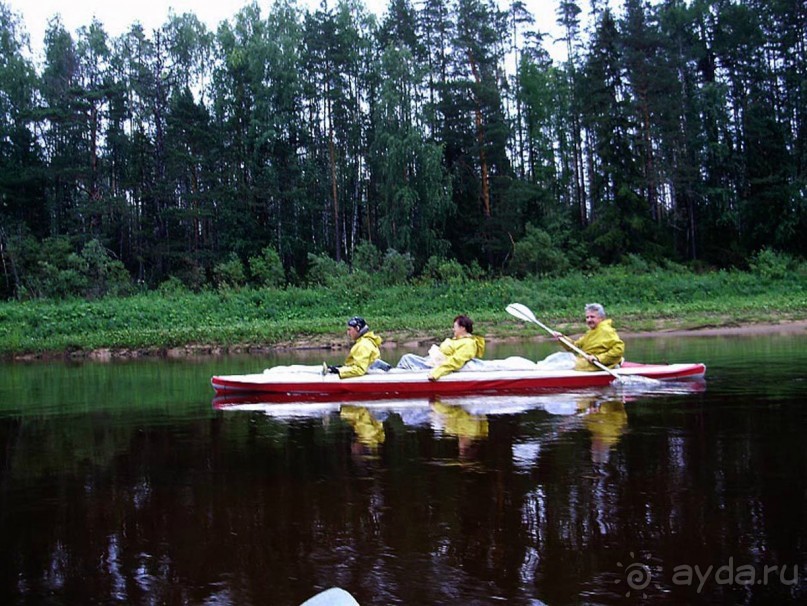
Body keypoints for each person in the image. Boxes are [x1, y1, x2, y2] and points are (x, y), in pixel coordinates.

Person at [396, 314, 486, 381]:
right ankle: (394, 375)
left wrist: (436, 373)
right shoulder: (458, 339)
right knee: (407, 358)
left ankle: (395, 379)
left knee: (407, 359)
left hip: (437, 366)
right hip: (432, 361)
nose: (453, 329)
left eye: (455, 327)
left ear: (462, 328)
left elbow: (455, 361)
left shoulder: (468, 344)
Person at [542, 303, 624, 371]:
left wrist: (598, 358)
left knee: (563, 365)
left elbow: (619, 349)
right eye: (587, 317)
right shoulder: (591, 332)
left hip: (595, 364)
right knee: (556, 359)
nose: (589, 320)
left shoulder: (606, 330)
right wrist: (562, 338)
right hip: (585, 361)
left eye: (592, 317)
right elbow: (574, 347)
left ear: (601, 318)